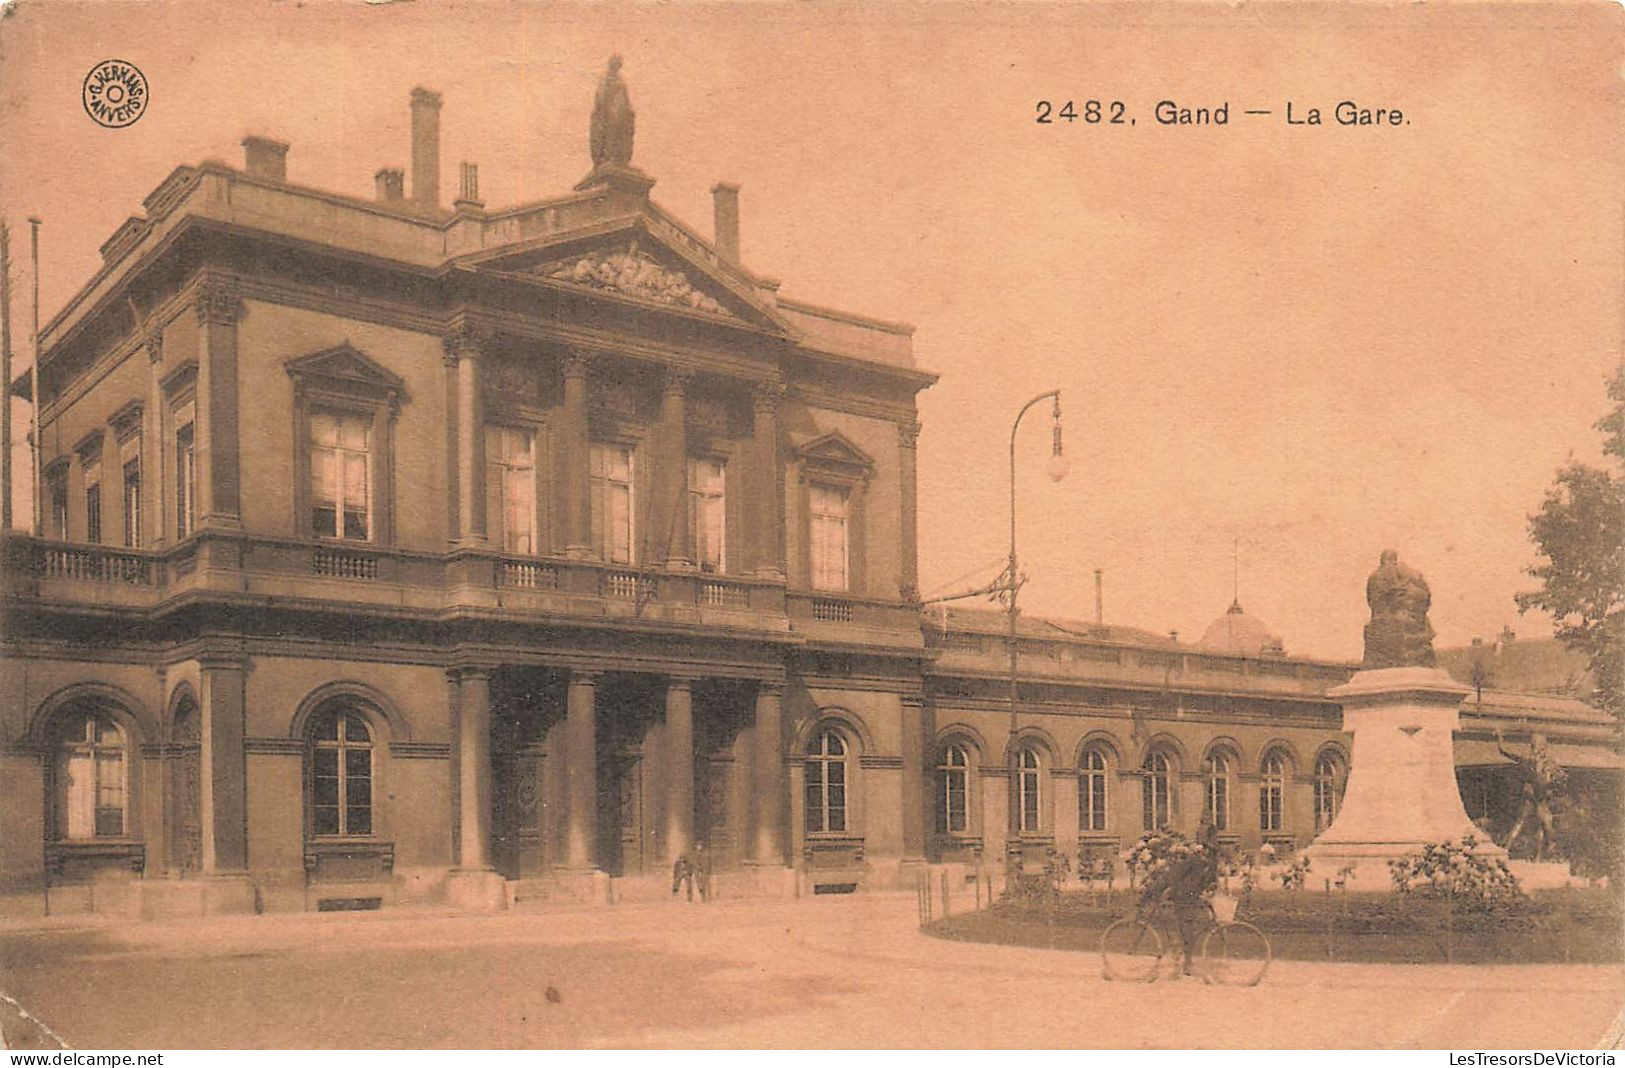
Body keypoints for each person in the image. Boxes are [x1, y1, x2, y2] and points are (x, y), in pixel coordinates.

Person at [1163, 818, 1221, 976]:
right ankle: (1183, 961)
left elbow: (1208, 878)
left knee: (1188, 929)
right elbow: (1178, 874)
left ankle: (1181, 957)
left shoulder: (1208, 858)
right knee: (1187, 929)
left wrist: (1209, 888)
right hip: (1184, 896)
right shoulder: (1195, 858)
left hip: (1192, 895)